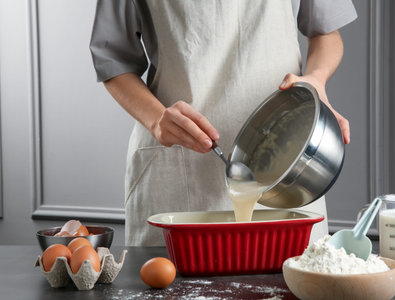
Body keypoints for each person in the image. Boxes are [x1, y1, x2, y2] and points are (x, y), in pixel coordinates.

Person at [90, 0, 357, 246]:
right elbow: (113, 59)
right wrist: (156, 120)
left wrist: (317, 79)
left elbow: (326, 33)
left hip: (288, 165)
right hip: (177, 175)